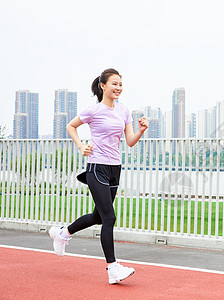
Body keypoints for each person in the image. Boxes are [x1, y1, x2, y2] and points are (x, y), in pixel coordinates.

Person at [49, 68, 148, 284]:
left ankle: (63, 233)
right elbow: (71, 126)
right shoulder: (93, 111)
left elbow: (129, 141)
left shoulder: (124, 110)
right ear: (103, 86)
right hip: (96, 168)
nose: (118, 88)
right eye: (114, 84)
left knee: (98, 217)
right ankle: (113, 268)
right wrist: (81, 145)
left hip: (115, 168)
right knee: (109, 218)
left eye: (120, 84)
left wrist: (140, 131)